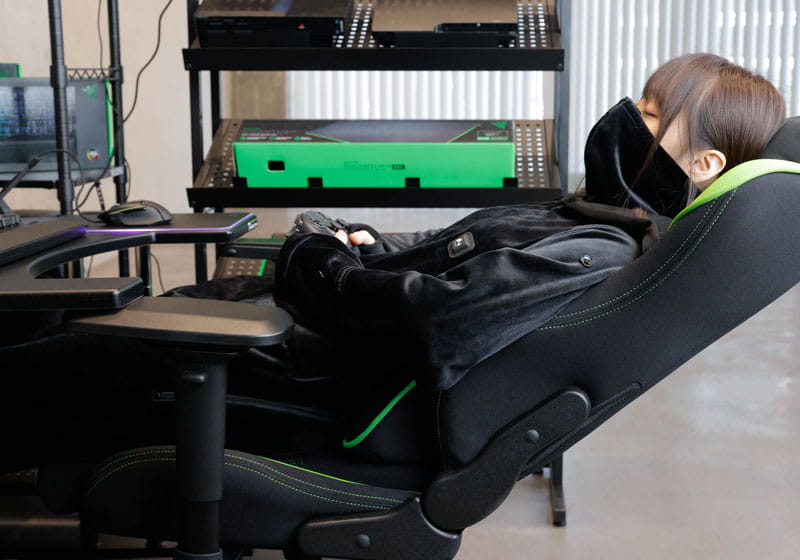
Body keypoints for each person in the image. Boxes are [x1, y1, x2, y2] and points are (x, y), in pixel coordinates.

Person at [0, 53, 787, 473]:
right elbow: (450, 262)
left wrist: (319, 264)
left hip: (312, 379)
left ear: (704, 165)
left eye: (651, 114)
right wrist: (367, 246)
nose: (625, 118)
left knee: (56, 352)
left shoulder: (597, 248)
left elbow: (436, 322)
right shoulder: (583, 217)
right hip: (314, 346)